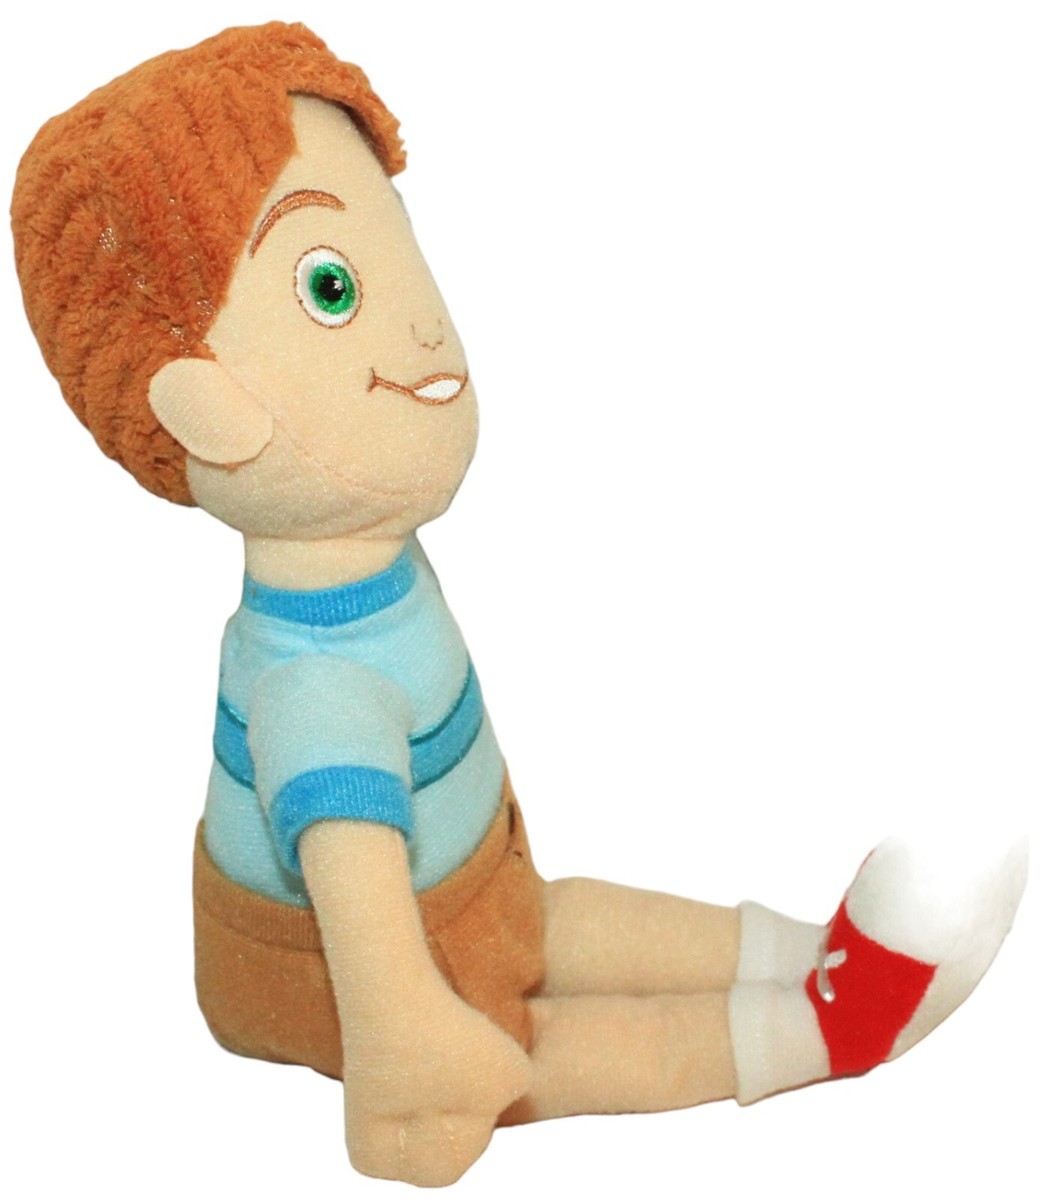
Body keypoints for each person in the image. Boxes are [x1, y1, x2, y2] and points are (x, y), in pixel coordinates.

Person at [11, 21, 1026, 1188]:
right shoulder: (317, 689)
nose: (421, 322)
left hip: (483, 895)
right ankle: (833, 1029)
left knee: (562, 927)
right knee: (549, 1050)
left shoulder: (361, 578)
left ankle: (821, 955)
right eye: (332, 288)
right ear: (203, 407)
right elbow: (365, 924)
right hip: (358, 974)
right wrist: (414, 1055)